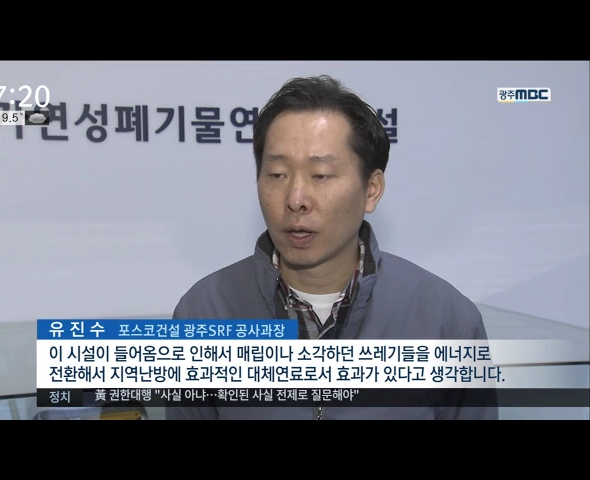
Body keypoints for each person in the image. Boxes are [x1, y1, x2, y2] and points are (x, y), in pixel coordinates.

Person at [166, 75, 498, 420]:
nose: (296, 199)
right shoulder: (203, 313)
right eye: (277, 174)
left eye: (321, 175)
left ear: (372, 189)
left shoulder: (447, 322)